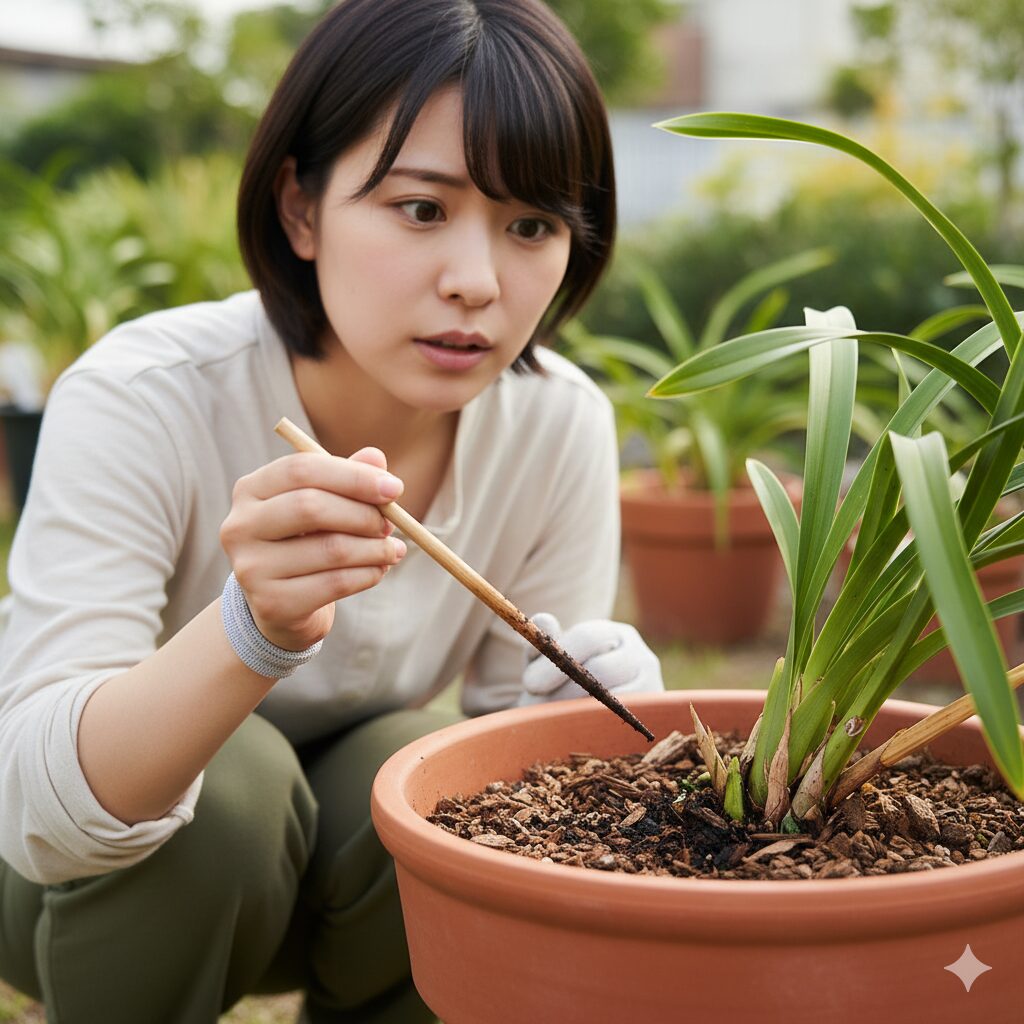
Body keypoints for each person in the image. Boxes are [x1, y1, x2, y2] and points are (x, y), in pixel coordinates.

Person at [0, 1, 665, 1021]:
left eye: (530, 225)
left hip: (330, 893)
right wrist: (246, 633)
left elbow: (520, 787)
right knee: (235, 782)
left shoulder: (556, 424)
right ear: (300, 208)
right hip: (68, 876)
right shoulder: (144, 392)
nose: (476, 283)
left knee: (417, 774)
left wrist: (594, 732)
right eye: (420, 208)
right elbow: (40, 816)